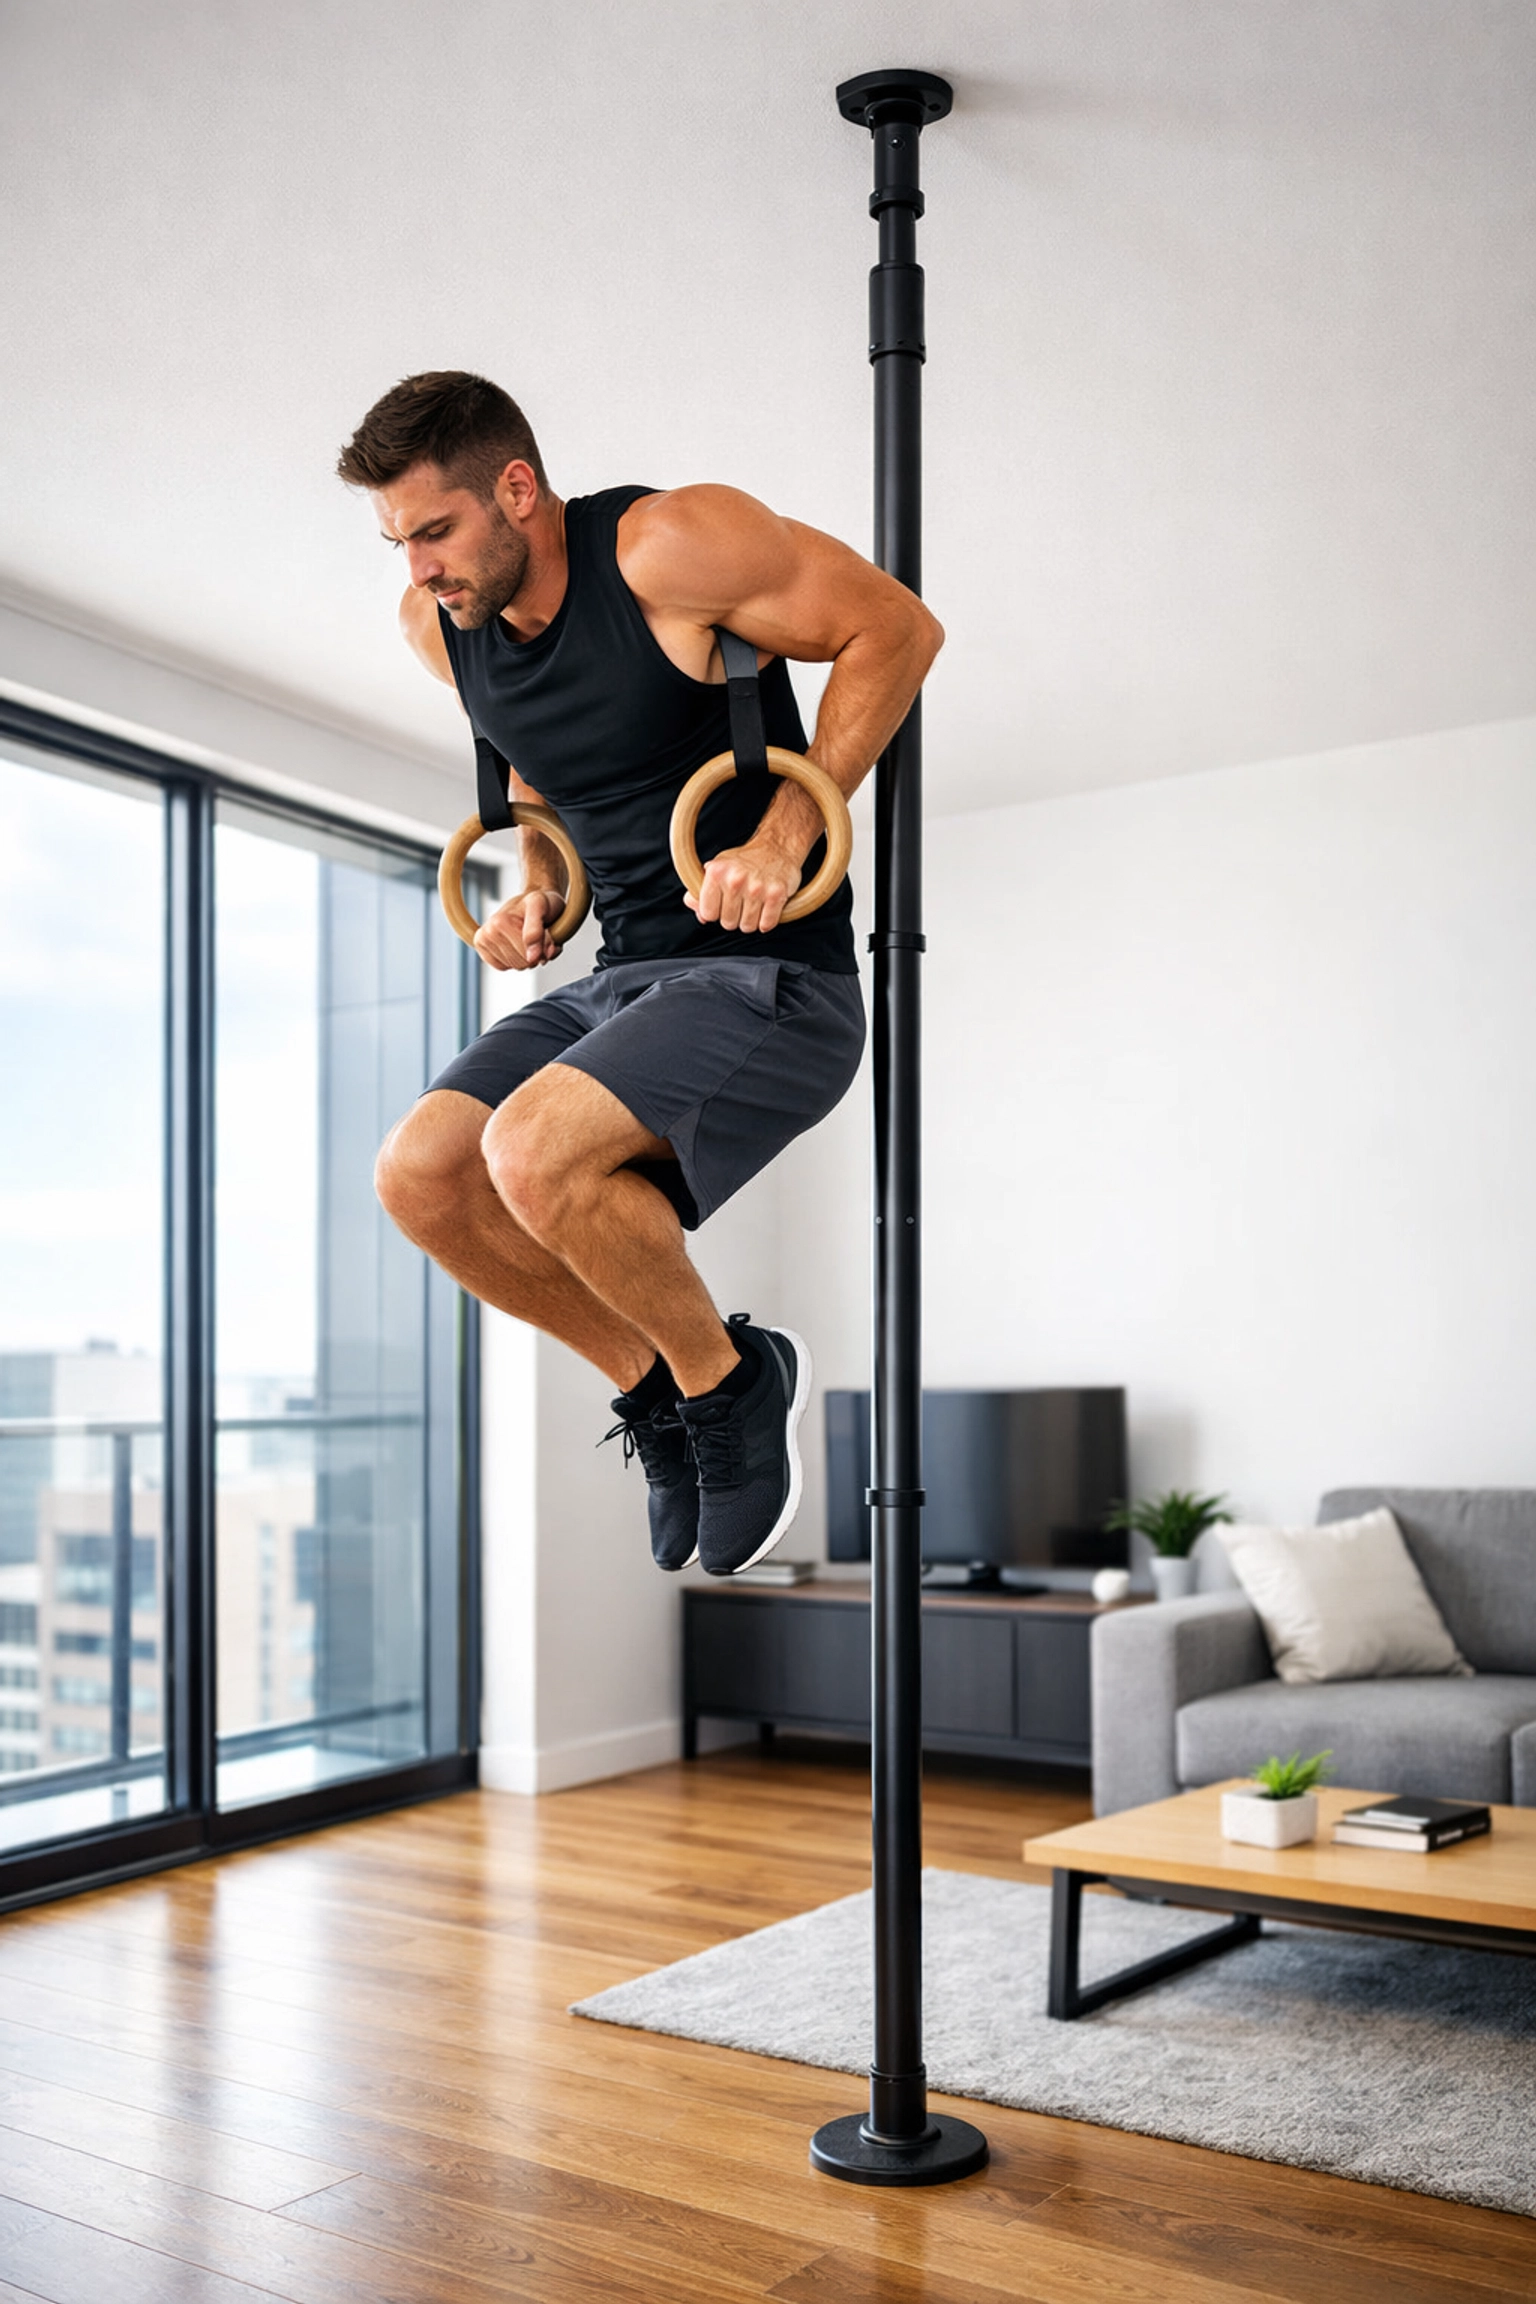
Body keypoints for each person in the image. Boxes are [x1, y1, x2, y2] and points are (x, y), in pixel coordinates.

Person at [336, 370, 941, 1577]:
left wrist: (781, 836)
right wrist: (542, 894)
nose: (419, 572)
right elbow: (553, 790)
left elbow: (897, 628)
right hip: (626, 977)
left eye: (436, 533)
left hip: (773, 980)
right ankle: (668, 1391)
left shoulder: (668, 545)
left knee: (528, 1150)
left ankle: (733, 1386)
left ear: (517, 491)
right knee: (421, 1176)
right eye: (398, 543)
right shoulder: (440, 632)